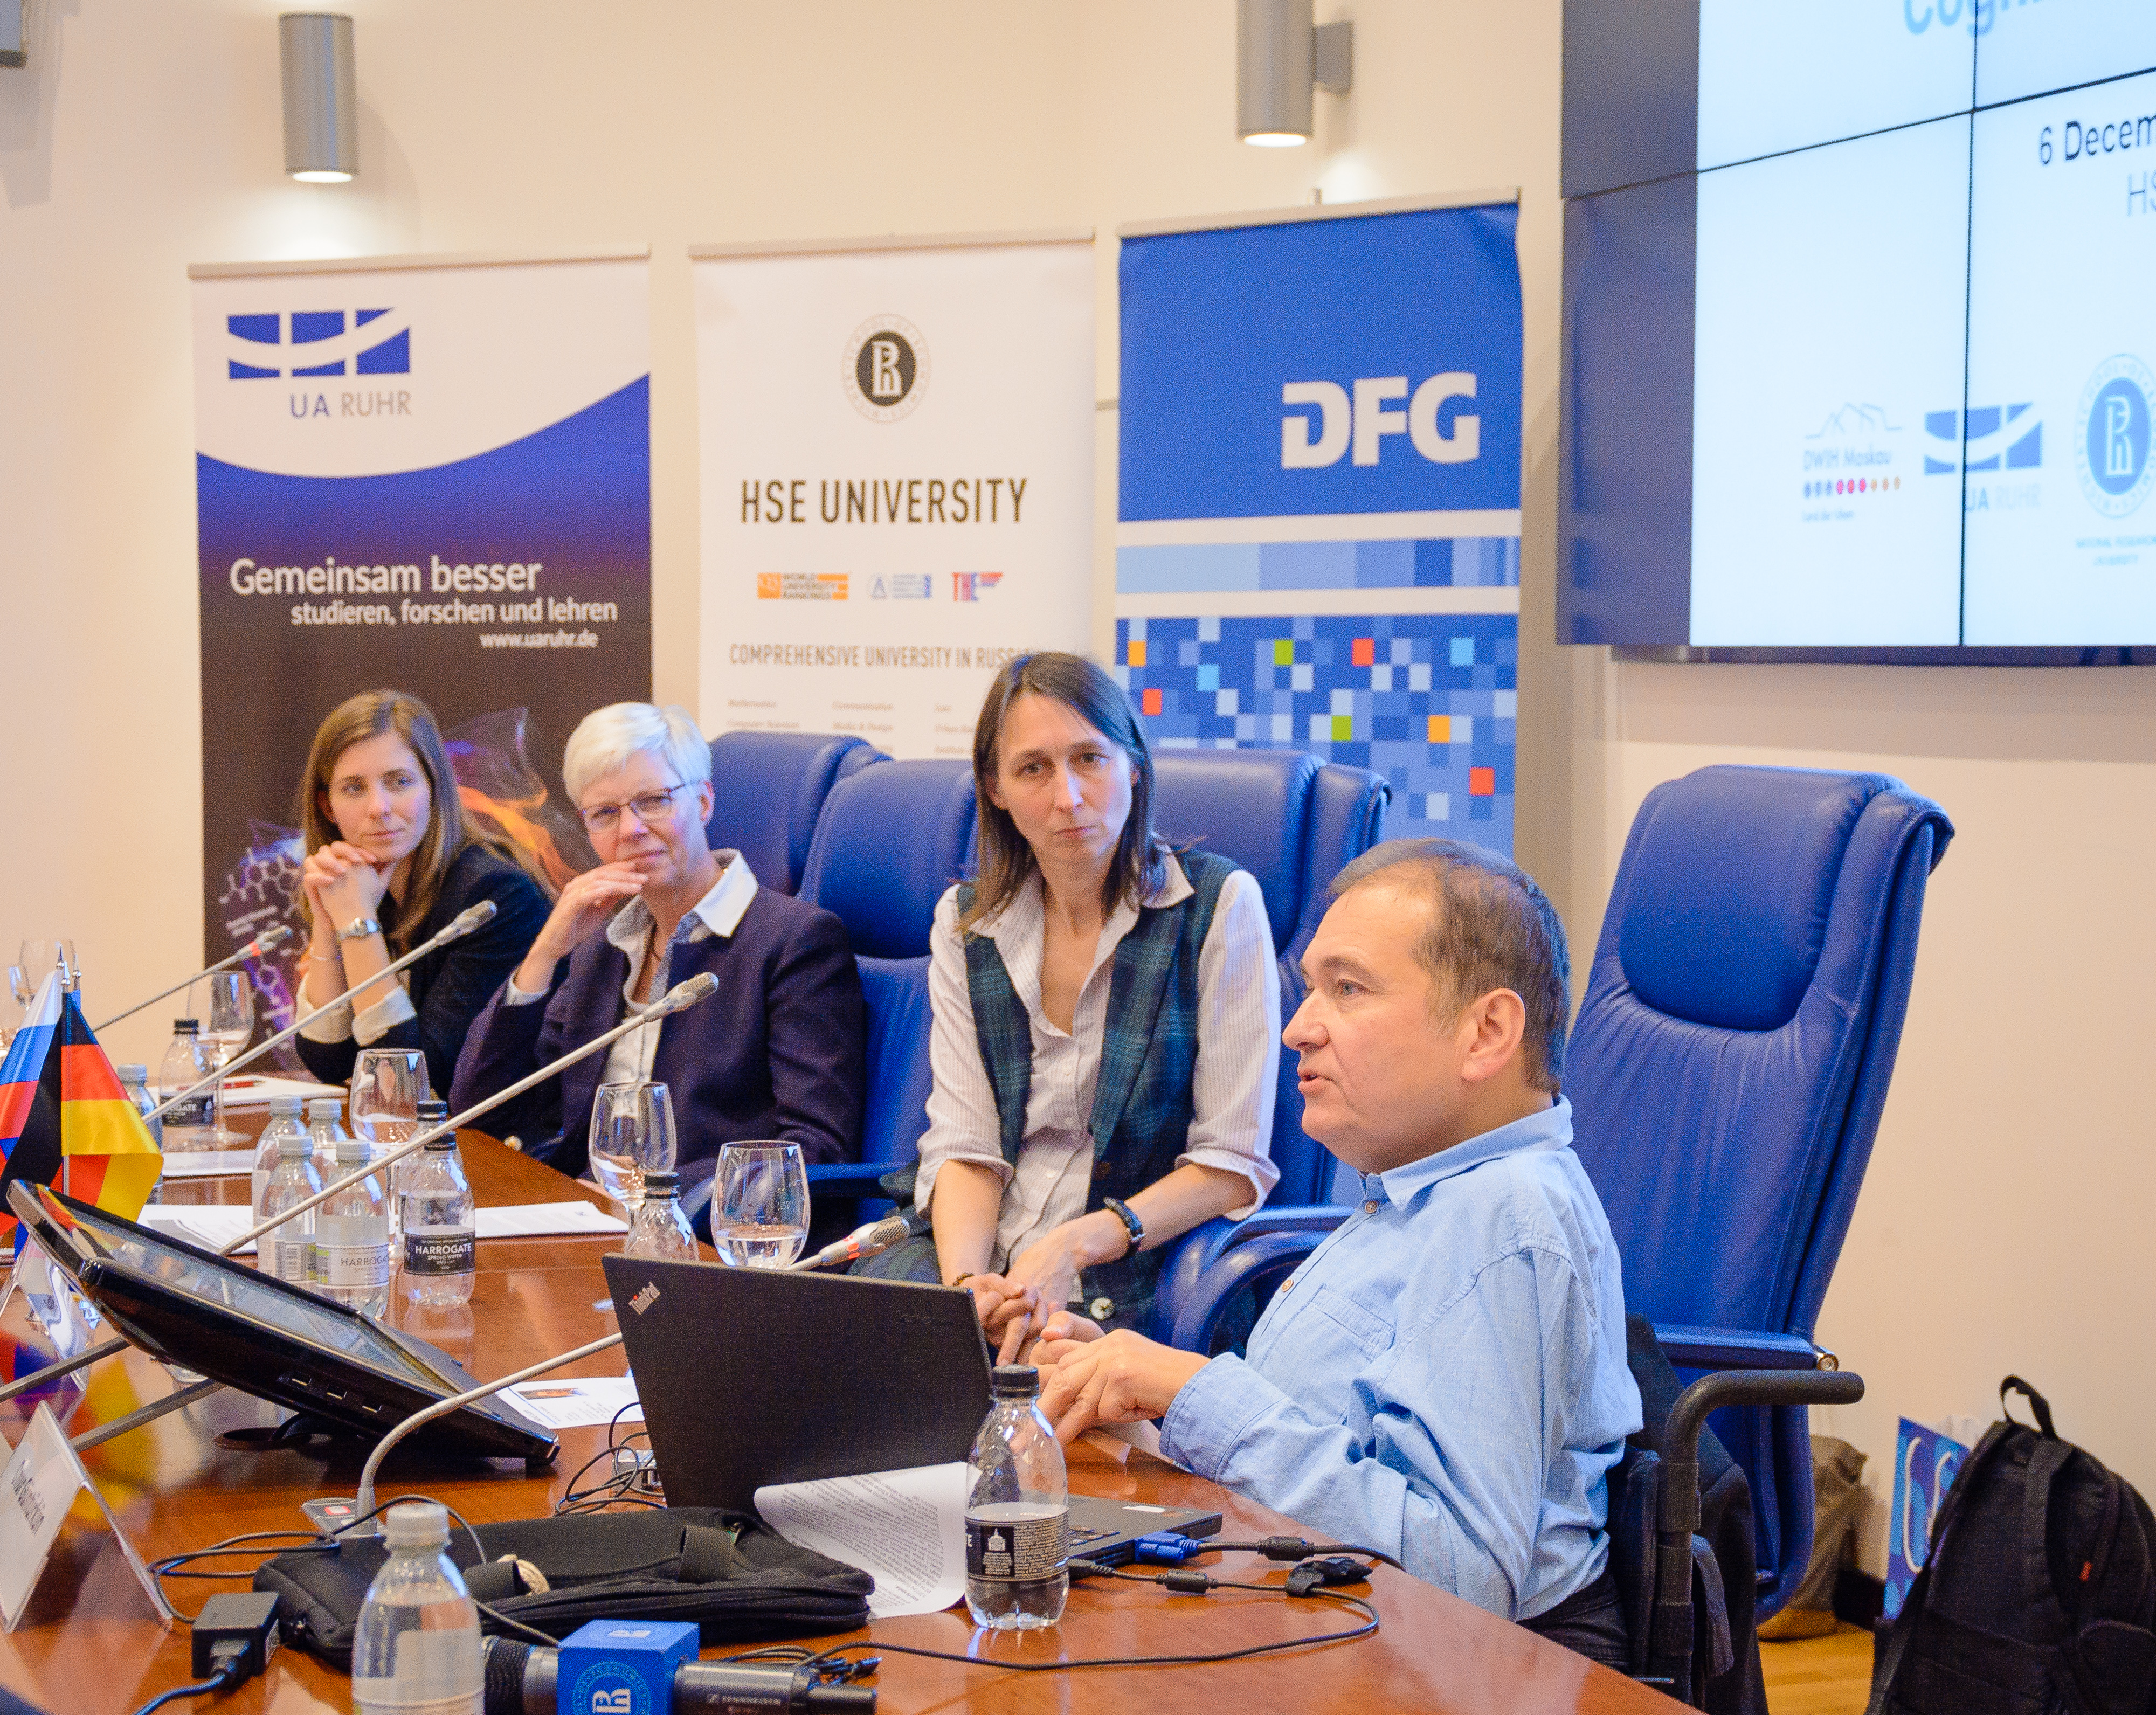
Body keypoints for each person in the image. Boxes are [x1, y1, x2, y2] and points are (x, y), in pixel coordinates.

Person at [1033, 839, 1643, 1666]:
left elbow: (1463, 1578)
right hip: (1328, 1614)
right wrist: (1136, 1387)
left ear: (1487, 1031)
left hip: (1440, 1668)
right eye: (1312, 987)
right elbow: (1325, 1438)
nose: (1297, 1029)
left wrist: (1198, 1391)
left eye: (1346, 989)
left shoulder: (1504, 1214)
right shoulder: (1417, 1192)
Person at [856, 652, 1281, 1359]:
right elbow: (967, 1147)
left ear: (1133, 765)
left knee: (1044, 1395)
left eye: (1090, 758)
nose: (1069, 797)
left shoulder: (1218, 905)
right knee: (862, 1375)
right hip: (978, 1251)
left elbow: (1233, 1163)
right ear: (994, 788)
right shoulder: (967, 924)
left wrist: (1075, 1244)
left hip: (1142, 1267)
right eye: (1033, 769)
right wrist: (971, 1287)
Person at [450, 702, 865, 1187]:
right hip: (587, 1217)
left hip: (705, 1235)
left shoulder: (793, 942)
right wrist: (545, 954)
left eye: (654, 801)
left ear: (704, 801)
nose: (631, 830)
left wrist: (650, 1197)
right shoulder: (604, 947)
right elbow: (480, 1111)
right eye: (605, 813)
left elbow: (815, 1146)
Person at [294, 689, 552, 1097]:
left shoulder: (493, 897)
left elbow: (411, 1084)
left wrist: (358, 925)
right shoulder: (363, 888)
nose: (378, 807)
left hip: (506, 1149)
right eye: (354, 789)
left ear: (434, 787)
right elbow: (328, 1060)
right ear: (328, 808)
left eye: (399, 782)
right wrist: (329, 921)